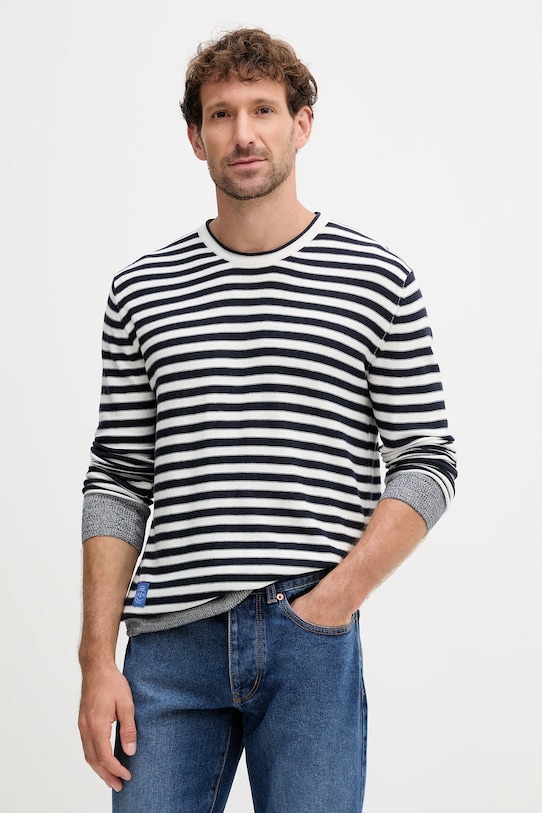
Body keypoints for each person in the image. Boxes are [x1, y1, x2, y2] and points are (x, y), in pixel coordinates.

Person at [78, 27, 457, 813]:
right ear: (196, 137)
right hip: (167, 647)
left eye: (263, 109)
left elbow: (428, 461)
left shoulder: (376, 278)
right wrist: (96, 659)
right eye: (221, 115)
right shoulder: (141, 291)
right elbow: (117, 475)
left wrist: (332, 602)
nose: (243, 133)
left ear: (301, 123)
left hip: (308, 635)